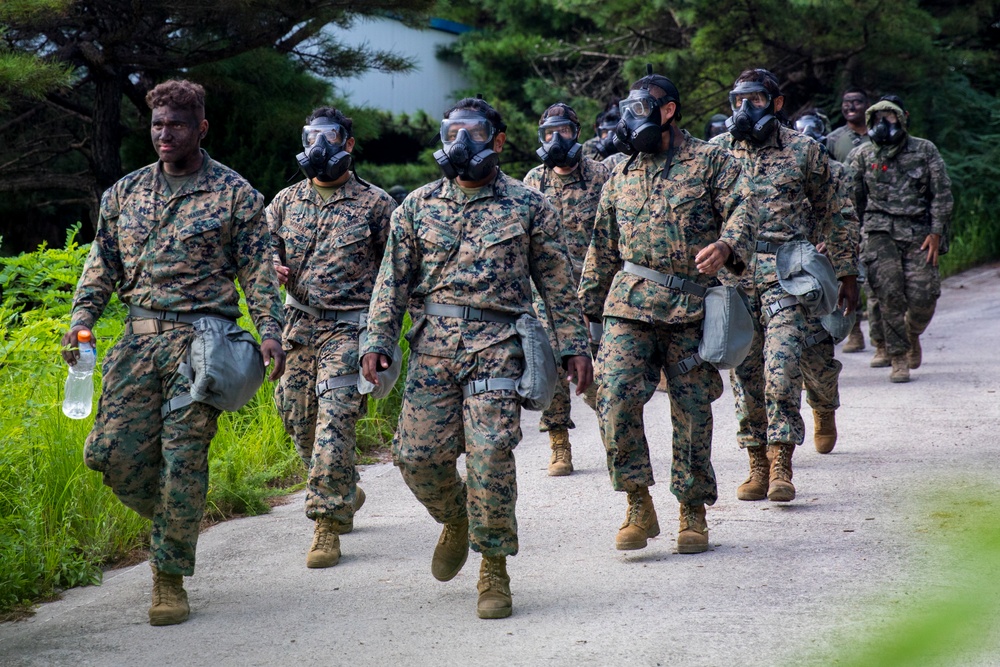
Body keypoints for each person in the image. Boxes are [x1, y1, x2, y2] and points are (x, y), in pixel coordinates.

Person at [62, 79, 285, 626]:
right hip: (136, 345)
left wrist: (272, 332)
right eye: (158, 124)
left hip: (201, 346)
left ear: (201, 128)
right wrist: (80, 322)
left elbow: (258, 273)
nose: (165, 134)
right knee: (108, 453)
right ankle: (172, 518)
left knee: (183, 459)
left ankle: (168, 577)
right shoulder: (124, 194)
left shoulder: (234, 194)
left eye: (177, 125)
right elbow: (101, 267)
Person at [360, 96, 592, 619]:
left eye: (475, 133)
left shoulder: (530, 205)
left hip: (498, 348)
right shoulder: (416, 206)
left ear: (499, 141)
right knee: (417, 458)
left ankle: (494, 568)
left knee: (490, 456)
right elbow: (390, 283)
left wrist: (574, 346)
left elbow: (557, 285)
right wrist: (375, 341)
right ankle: (456, 516)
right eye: (452, 133)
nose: (461, 144)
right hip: (432, 348)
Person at [579, 69, 754, 554]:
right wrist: (584, 316)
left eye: (641, 109)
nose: (632, 120)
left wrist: (726, 245)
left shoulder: (710, 161)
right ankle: (637, 501)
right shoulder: (622, 171)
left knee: (693, 410)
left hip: (693, 308)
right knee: (612, 397)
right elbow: (602, 246)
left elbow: (745, 207)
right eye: (627, 110)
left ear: (669, 110)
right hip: (629, 305)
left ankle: (692, 510)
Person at [712, 69, 858, 502]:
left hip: (788, 273)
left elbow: (837, 208)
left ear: (776, 104)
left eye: (754, 100)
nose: (744, 109)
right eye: (738, 100)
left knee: (783, 368)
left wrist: (847, 271)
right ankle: (756, 461)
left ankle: (782, 464)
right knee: (745, 373)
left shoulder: (803, 150)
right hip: (735, 277)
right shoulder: (716, 153)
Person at [267, 107, 396, 568]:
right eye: (312, 136)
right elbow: (262, 251)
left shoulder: (376, 204)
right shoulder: (284, 201)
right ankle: (341, 484)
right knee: (298, 418)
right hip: (299, 326)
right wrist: (272, 268)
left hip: (351, 329)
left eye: (331, 137)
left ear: (348, 144)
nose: (320, 146)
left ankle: (326, 524)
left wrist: (383, 337)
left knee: (334, 420)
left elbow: (396, 274)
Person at [523, 102, 609, 476]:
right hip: (547, 296)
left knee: (602, 372)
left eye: (564, 132)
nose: (556, 140)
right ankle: (559, 443)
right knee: (552, 367)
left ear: (577, 133)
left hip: (596, 294)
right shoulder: (532, 181)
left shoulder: (602, 176)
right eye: (548, 134)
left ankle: (615, 436)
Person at [847, 96, 952, 383]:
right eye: (878, 118)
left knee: (924, 296)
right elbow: (850, 199)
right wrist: (850, 237)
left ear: (902, 119)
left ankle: (912, 332)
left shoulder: (924, 149)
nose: (884, 124)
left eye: (890, 118)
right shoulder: (863, 155)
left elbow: (941, 193)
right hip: (878, 231)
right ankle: (898, 357)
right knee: (888, 295)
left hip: (918, 232)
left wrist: (936, 231)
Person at [792, 109, 861, 454]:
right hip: (777, 270)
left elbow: (846, 219)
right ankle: (773, 449)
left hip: (821, 273)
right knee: (770, 360)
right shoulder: (772, 169)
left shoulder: (837, 175)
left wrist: (840, 259)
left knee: (816, 351)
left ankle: (823, 408)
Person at [826, 87, 871, 163]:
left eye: (856, 103)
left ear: (868, 106)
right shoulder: (832, 139)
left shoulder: (880, 135)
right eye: (846, 104)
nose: (851, 108)